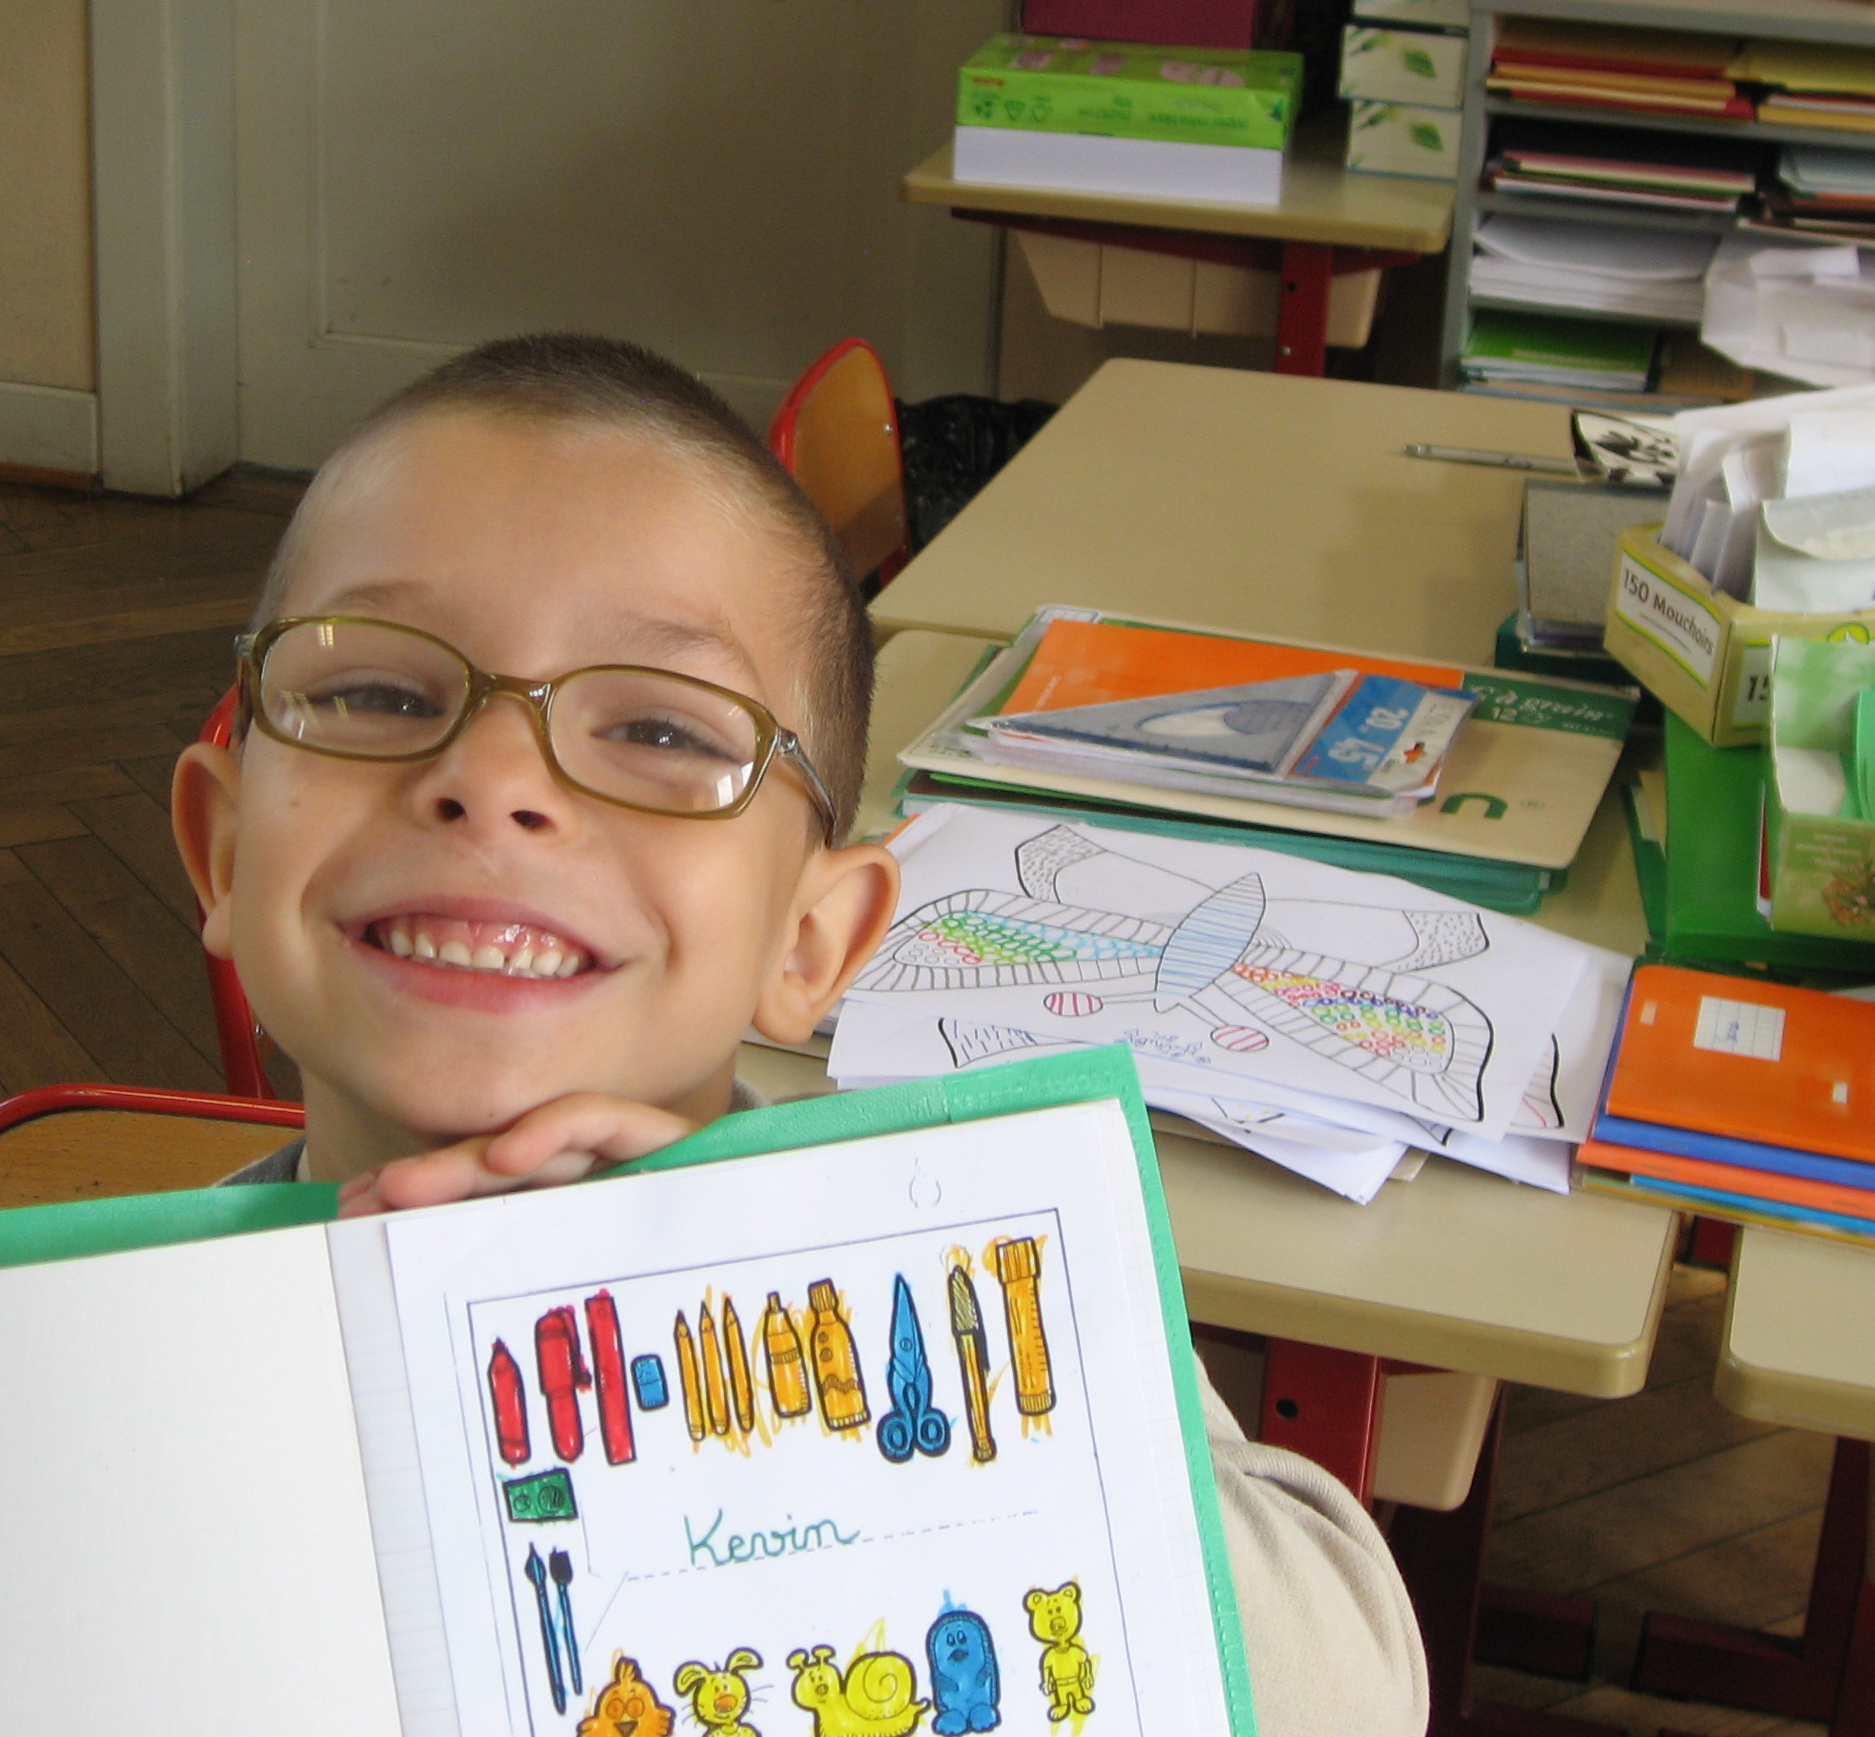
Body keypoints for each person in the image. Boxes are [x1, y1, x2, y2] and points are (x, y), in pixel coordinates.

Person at [169, 335, 1429, 1737]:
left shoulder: (958, 1279)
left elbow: (1349, 1696)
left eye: (660, 731)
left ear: (809, 945)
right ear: (222, 850)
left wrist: (783, 1305)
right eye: (377, 695)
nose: (492, 778)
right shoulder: (120, 1368)